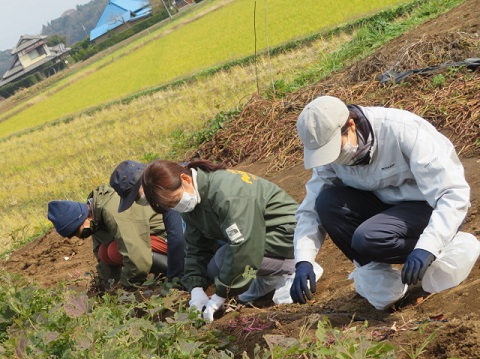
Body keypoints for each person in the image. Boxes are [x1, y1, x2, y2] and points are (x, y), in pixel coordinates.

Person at [291, 95, 475, 310]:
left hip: (426, 207)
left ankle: (446, 247)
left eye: (335, 150)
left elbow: (452, 192)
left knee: (368, 238)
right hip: (383, 206)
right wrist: (304, 260)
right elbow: (311, 209)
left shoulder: (402, 131)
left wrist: (428, 246)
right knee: (327, 202)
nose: (332, 159)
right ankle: (382, 283)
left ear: (350, 125)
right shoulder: (331, 158)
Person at [140, 159, 301, 322]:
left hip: (288, 234)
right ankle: (270, 277)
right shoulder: (193, 201)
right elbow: (195, 248)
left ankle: (293, 268)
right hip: (261, 234)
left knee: (225, 258)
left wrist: (222, 293)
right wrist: (196, 288)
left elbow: (245, 245)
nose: (176, 207)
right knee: (214, 267)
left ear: (186, 179)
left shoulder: (226, 194)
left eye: (175, 200)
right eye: (170, 205)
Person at [47, 162, 185, 290]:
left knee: (115, 250)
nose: (79, 236)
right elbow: (102, 260)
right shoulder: (96, 215)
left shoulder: (111, 212)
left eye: (78, 231)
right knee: (104, 252)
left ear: (84, 217)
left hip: (171, 234)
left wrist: (128, 286)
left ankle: (174, 270)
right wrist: (107, 286)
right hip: (152, 236)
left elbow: (135, 253)